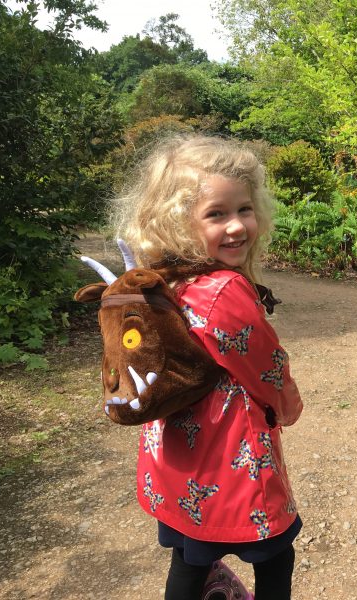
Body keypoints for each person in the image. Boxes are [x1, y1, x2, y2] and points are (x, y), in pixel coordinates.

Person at [111, 134, 303, 600]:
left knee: (192, 554)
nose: (236, 226)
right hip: (229, 457)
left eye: (244, 209)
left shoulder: (166, 276)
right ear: (179, 221)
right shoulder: (222, 291)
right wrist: (289, 405)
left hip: (178, 454)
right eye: (216, 214)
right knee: (278, 551)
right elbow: (267, 369)